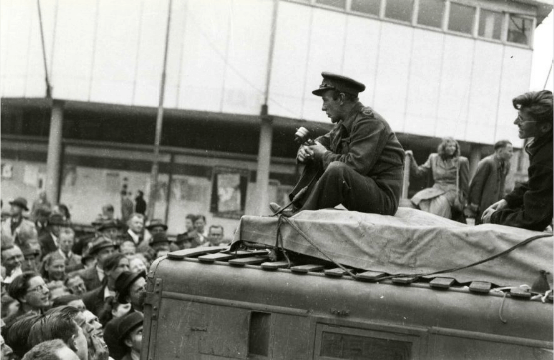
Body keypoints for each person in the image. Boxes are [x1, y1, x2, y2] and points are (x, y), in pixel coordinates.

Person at [271, 72, 405, 216]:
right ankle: (297, 207)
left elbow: (355, 166)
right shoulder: (345, 123)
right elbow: (324, 142)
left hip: (383, 199)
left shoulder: (369, 123)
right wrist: (307, 149)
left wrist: (323, 154)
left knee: (336, 168)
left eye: (325, 100)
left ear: (341, 98)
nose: (323, 107)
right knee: (318, 155)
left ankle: (303, 216)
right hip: (368, 189)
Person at [482, 90, 553, 231]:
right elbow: (538, 183)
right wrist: (508, 201)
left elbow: (533, 219)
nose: (515, 122)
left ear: (545, 127)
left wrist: (495, 217)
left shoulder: (546, 159)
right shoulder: (546, 146)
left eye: (522, 119)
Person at [407, 138, 469, 222]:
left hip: (451, 191)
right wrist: (411, 158)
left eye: (454, 146)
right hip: (436, 189)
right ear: (443, 147)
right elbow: (419, 172)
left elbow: (465, 184)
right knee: (418, 198)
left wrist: (462, 201)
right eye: (449, 146)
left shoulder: (461, 161)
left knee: (441, 203)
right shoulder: (433, 158)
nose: (452, 148)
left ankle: (435, 224)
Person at [468, 140, 513, 225]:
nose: (512, 154)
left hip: (496, 205)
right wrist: (475, 203)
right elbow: (477, 184)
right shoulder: (487, 162)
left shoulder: (506, 164)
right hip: (484, 204)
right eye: (509, 151)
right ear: (500, 151)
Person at [81, 253, 130, 324]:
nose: (126, 270)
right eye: (122, 266)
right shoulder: (89, 298)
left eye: (128, 266)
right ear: (107, 271)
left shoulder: (133, 293)